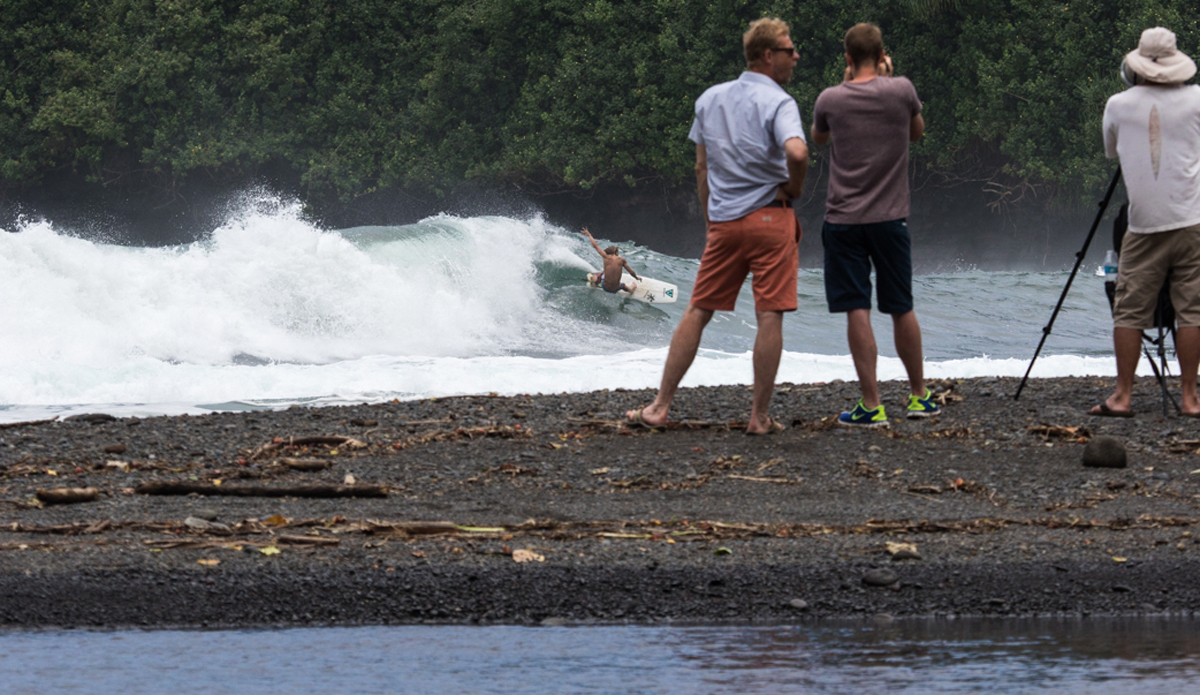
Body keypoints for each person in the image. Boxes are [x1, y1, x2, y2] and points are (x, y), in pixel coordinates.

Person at [625, 17, 808, 435]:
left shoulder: (710, 99)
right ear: (767, 55)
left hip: (725, 223)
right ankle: (759, 417)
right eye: (789, 50)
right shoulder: (780, 102)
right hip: (771, 217)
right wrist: (794, 189)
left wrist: (712, 218)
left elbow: (702, 167)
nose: (795, 56)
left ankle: (659, 407)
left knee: (698, 310)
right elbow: (797, 153)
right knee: (769, 314)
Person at [810, 22, 939, 428]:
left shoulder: (831, 98)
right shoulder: (901, 91)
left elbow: (818, 138)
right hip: (890, 218)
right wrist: (887, 79)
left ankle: (872, 403)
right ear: (883, 55)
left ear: (848, 58)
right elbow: (916, 132)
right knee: (902, 307)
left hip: (844, 219)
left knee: (857, 308)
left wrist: (847, 84)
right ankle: (919, 396)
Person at [1091, 27, 1200, 418]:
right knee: (1192, 310)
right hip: (1192, 219)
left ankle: (1123, 396)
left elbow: (1111, 151)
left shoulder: (1118, 105)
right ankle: (1191, 398)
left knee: (1129, 309)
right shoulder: (1197, 99)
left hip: (1144, 224)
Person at [580, 227, 640, 293]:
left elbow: (596, 246)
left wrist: (589, 235)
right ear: (616, 252)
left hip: (605, 287)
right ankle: (631, 289)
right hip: (615, 289)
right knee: (623, 285)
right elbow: (631, 272)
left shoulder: (605, 257)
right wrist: (636, 277)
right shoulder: (622, 260)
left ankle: (595, 282)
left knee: (602, 274)